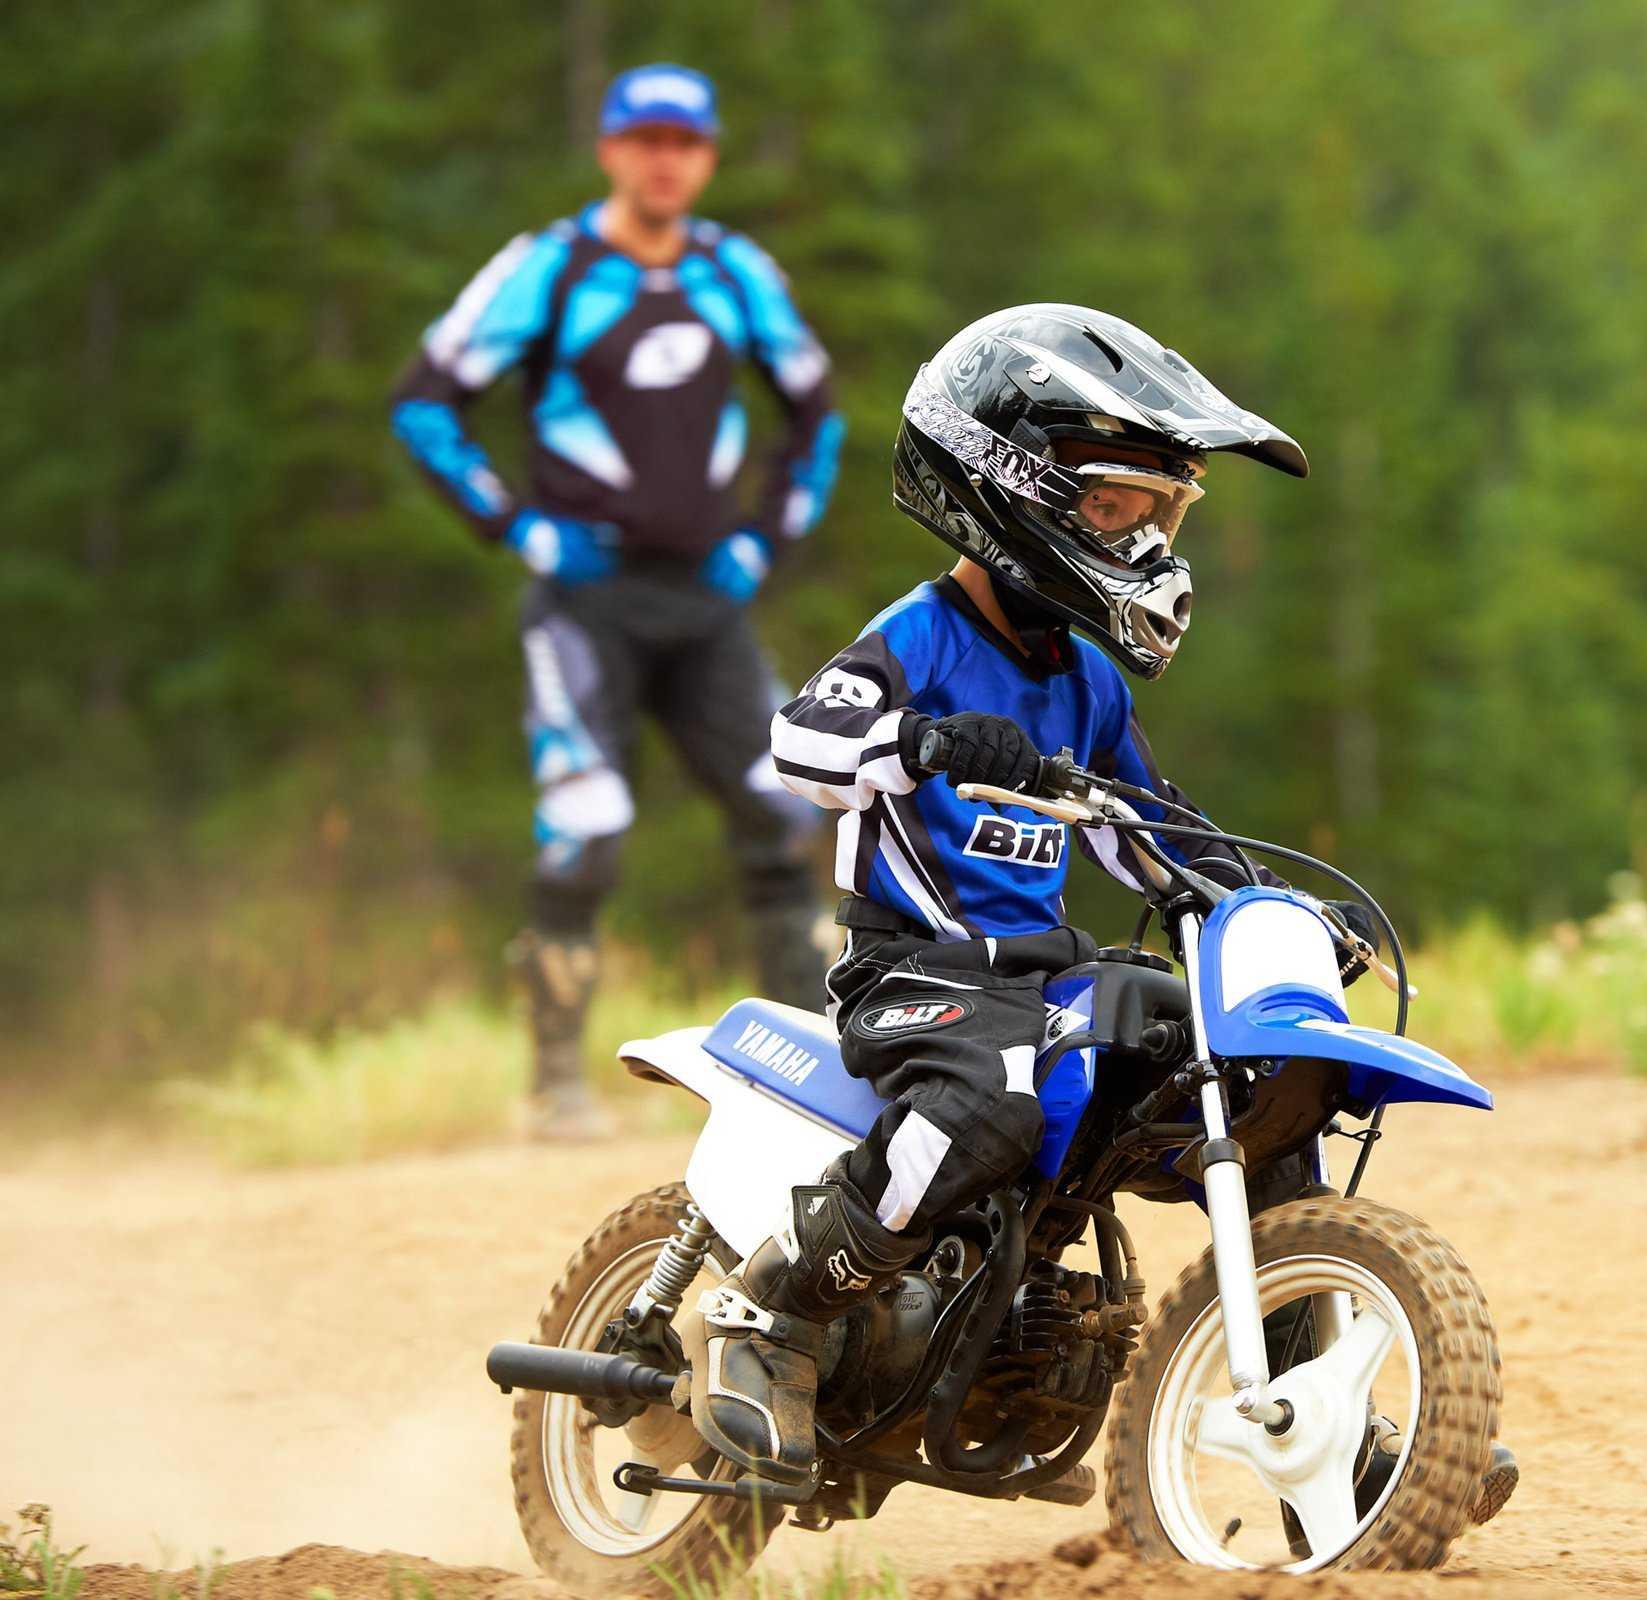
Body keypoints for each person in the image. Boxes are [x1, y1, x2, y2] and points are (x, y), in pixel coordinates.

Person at [687, 306, 1516, 1532]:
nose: (1148, 540)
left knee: (1261, 1084)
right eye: (1122, 505)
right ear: (1012, 486)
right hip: (915, 977)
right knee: (991, 1098)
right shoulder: (918, 637)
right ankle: (777, 1307)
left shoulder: (1086, 682)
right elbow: (799, 743)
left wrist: (1267, 905)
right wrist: (919, 740)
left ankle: (1320, 1421)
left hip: (1038, 976)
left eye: (1164, 514)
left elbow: (1153, 832)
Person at [389, 64, 843, 1140]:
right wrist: (514, 526)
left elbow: (816, 414)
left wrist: (764, 541)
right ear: (609, 151)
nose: (664, 160)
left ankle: (816, 1087)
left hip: (709, 606)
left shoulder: (736, 273)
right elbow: (424, 404)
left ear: (708, 156)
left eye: (684, 142)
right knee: (585, 829)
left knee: (787, 817)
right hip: (582, 603)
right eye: (645, 139)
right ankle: (555, 1087)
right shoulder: (548, 268)